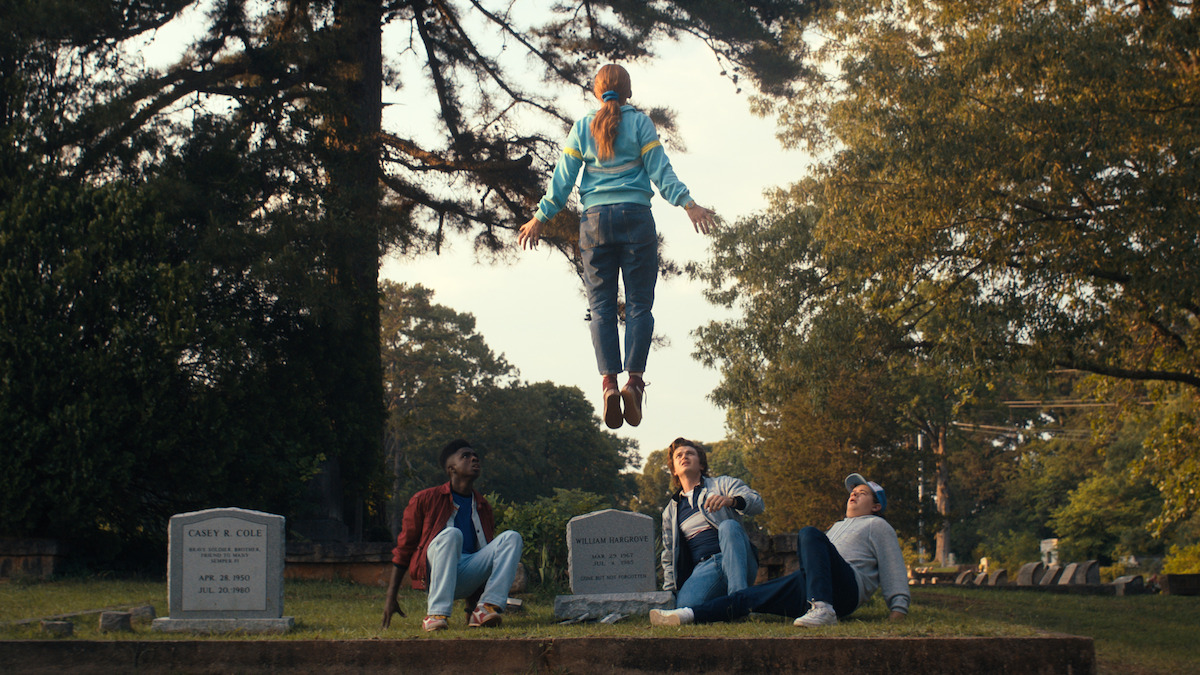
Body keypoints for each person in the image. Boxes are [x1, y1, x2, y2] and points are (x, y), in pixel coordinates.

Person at [517, 64, 717, 430]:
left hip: (594, 223)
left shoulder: (582, 128)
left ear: (597, 92)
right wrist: (689, 204)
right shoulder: (640, 124)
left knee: (601, 308)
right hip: (636, 219)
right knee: (639, 304)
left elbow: (562, 182)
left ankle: (609, 383)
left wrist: (540, 218)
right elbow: (660, 171)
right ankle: (634, 383)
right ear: (628, 91)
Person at [651, 473, 909, 628]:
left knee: (808, 533)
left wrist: (898, 609)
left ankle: (823, 609)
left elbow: (893, 566)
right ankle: (687, 615)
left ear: (876, 506)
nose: (853, 495)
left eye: (862, 493)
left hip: (845, 589)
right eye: (852, 492)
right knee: (748, 598)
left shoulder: (878, 526)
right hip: (812, 587)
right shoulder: (837, 527)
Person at [381, 439, 523, 632]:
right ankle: (436, 614)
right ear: (451, 468)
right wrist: (391, 597)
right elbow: (404, 549)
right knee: (452, 534)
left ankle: (485, 608)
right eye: (465, 456)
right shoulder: (424, 499)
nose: (474, 459)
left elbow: (481, 553)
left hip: (466, 576)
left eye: (475, 456)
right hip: (435, 573)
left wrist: (470, 608)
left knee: (512, 537)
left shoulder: (483, 506)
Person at [661, 437, 764, 608]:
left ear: (701, 465)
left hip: (736, 558)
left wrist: (731, 501)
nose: (684, 457)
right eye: (678, 455)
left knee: (728, 526)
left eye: (690, 453)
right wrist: (669, 593)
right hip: (704, 568)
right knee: (685, 607)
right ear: (674, 470)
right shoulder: (670, 512)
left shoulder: (722, 484)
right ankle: (726, 605)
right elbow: (669, 555)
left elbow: (757, 503)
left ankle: (740, 601)